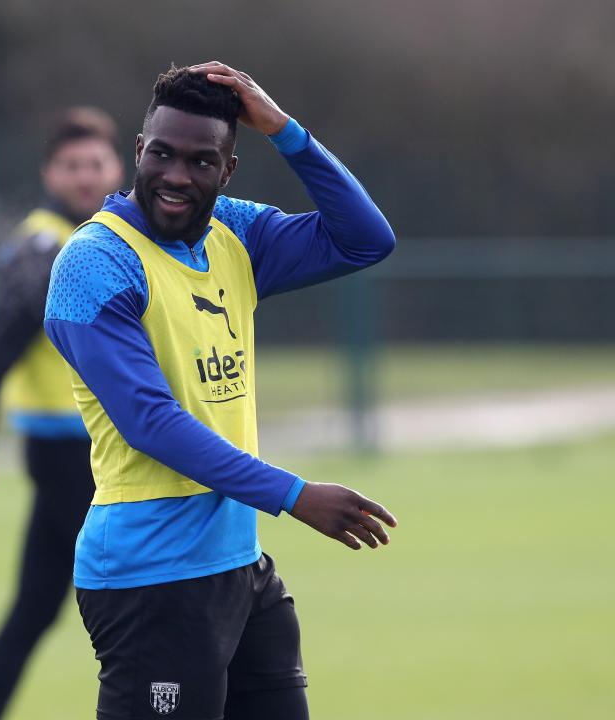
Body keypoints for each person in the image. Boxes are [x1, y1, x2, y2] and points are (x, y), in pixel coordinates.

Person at [44, 63, 399, 719]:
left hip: (240, 566)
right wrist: (294, 496)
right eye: (163, 154)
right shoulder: (94, 263)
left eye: (202, 161)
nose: (177, 176)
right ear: (138, 153)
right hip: (151, 579)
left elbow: (365, 240)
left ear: (228, 170)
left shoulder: (234, 232)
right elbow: (150, 422)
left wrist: (286, 131)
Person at [0, 107, 124, 720]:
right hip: (67, 450)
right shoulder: (43, 246)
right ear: (51, 173)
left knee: (36, 605)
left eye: (95, 163)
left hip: (105, 447)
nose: (85, 175)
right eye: (71, 165)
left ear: (118, 166)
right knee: (136, 589)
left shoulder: (121, 234)